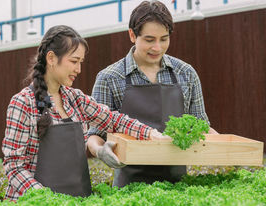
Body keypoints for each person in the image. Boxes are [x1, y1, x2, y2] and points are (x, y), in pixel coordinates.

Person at [2, 25, 169, 201]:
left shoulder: (75, 99)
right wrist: (45, 199)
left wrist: (151, 133)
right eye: (74, 61)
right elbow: (14, 166)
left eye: (80, 62)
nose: (78, 69)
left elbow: (114, 120)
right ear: (51, 58)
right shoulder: (23, 103)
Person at [87, 0, 218, 187]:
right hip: (128, 187)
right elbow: (95, 134)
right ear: (132, 35)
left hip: (181, 186)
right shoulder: (109, 78)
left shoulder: (186, 74)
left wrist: (227, 147)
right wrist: (100, 151)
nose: (157, 48)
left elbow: (201, 127)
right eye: (149, 40)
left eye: (164, 39)